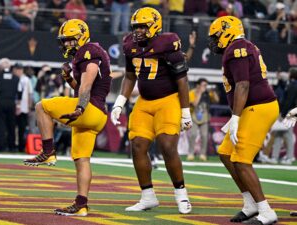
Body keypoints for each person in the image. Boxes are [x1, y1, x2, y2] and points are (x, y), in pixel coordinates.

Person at [23, 19, 112, 216]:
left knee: (41, 106)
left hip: (89, 109)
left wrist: (80, 107)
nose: (66, 45)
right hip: (96, 114)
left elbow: (87, 84)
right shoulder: (86, 54)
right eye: (64, 41)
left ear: (81, 38)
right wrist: (69, 78)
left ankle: (48, 151)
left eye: (69, 40)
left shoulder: (89, 51)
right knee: (82, 159)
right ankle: (81, 204)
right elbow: (80, 87)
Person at [111, 7, 193, 214]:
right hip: (144, 102)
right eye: (135, 26)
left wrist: (185, 112)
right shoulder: (129, 44)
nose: (137, 31)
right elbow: (130, 76)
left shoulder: (167, 43)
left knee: (167, 145)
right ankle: (148, 196)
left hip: (168, 100)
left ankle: (181, 194)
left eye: (142, 26)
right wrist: (120, 101)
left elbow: (182, 81)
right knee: (137, 146)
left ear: (155, 26)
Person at [208, 16, 278, 224]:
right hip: (251, 107)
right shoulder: (240, 46)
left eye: (216, 36)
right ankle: (250, 204)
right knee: (225, 154)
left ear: (227, 32)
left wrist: (236, 117)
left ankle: (266, 211)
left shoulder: (237, 49)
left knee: (241, 160)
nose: (213, 41)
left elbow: (243, 85)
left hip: (259, 107)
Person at [187, 78, 219, 161]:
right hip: (194, 116)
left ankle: (202, 154)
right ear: (198, 85)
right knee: (193, 134)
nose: (205, 87)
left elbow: (216, 100)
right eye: (203, 85)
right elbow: (194, 104)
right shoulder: (192, 93)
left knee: (204, 136)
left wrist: (213, 91)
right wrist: (200, 93)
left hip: (205, 117)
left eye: (206, 85)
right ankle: (190, 153)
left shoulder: (208, 93)